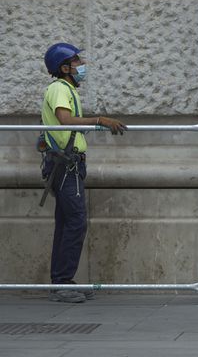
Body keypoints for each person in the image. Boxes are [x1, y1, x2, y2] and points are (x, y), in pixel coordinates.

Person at [41, 43, 125, 303]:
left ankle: (61, 281)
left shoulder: (67, 90)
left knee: (66, 223)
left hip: (69, 164)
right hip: (66, 165)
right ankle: (62, 283)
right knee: (76, 222)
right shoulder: (58, 89)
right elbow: (64, 120)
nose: (81, 66)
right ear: (64, 67)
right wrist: (99, 120)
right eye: (76, 62)